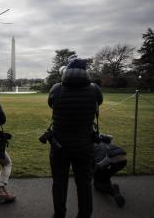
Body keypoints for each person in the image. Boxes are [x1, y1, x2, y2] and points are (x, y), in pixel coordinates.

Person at [47, 58, 103, 218]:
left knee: (59, 184)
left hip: (59, 146)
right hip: (84, 145)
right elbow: (98, 102)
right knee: (84, 184)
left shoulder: (56, 88)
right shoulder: (94, 89)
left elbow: (51, 104)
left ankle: (59, 215)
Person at [93, 139, 127, 207]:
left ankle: (113, 190)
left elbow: (95, 167)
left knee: (97, 185)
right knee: (105, 175)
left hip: (109, 158)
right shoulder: (101, 139)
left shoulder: (89, 148)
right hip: (122, 158)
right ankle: (106, 182)